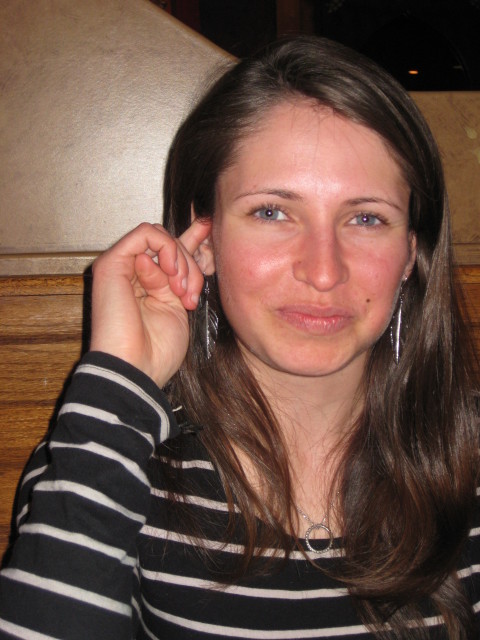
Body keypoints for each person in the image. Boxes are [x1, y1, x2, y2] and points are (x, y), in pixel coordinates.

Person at [0, 36, 478, 640]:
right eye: (272, 212)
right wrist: (119, 381)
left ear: (409, 253)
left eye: (365, 218)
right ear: (204, 240)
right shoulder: (113, 454)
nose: (322, 271)